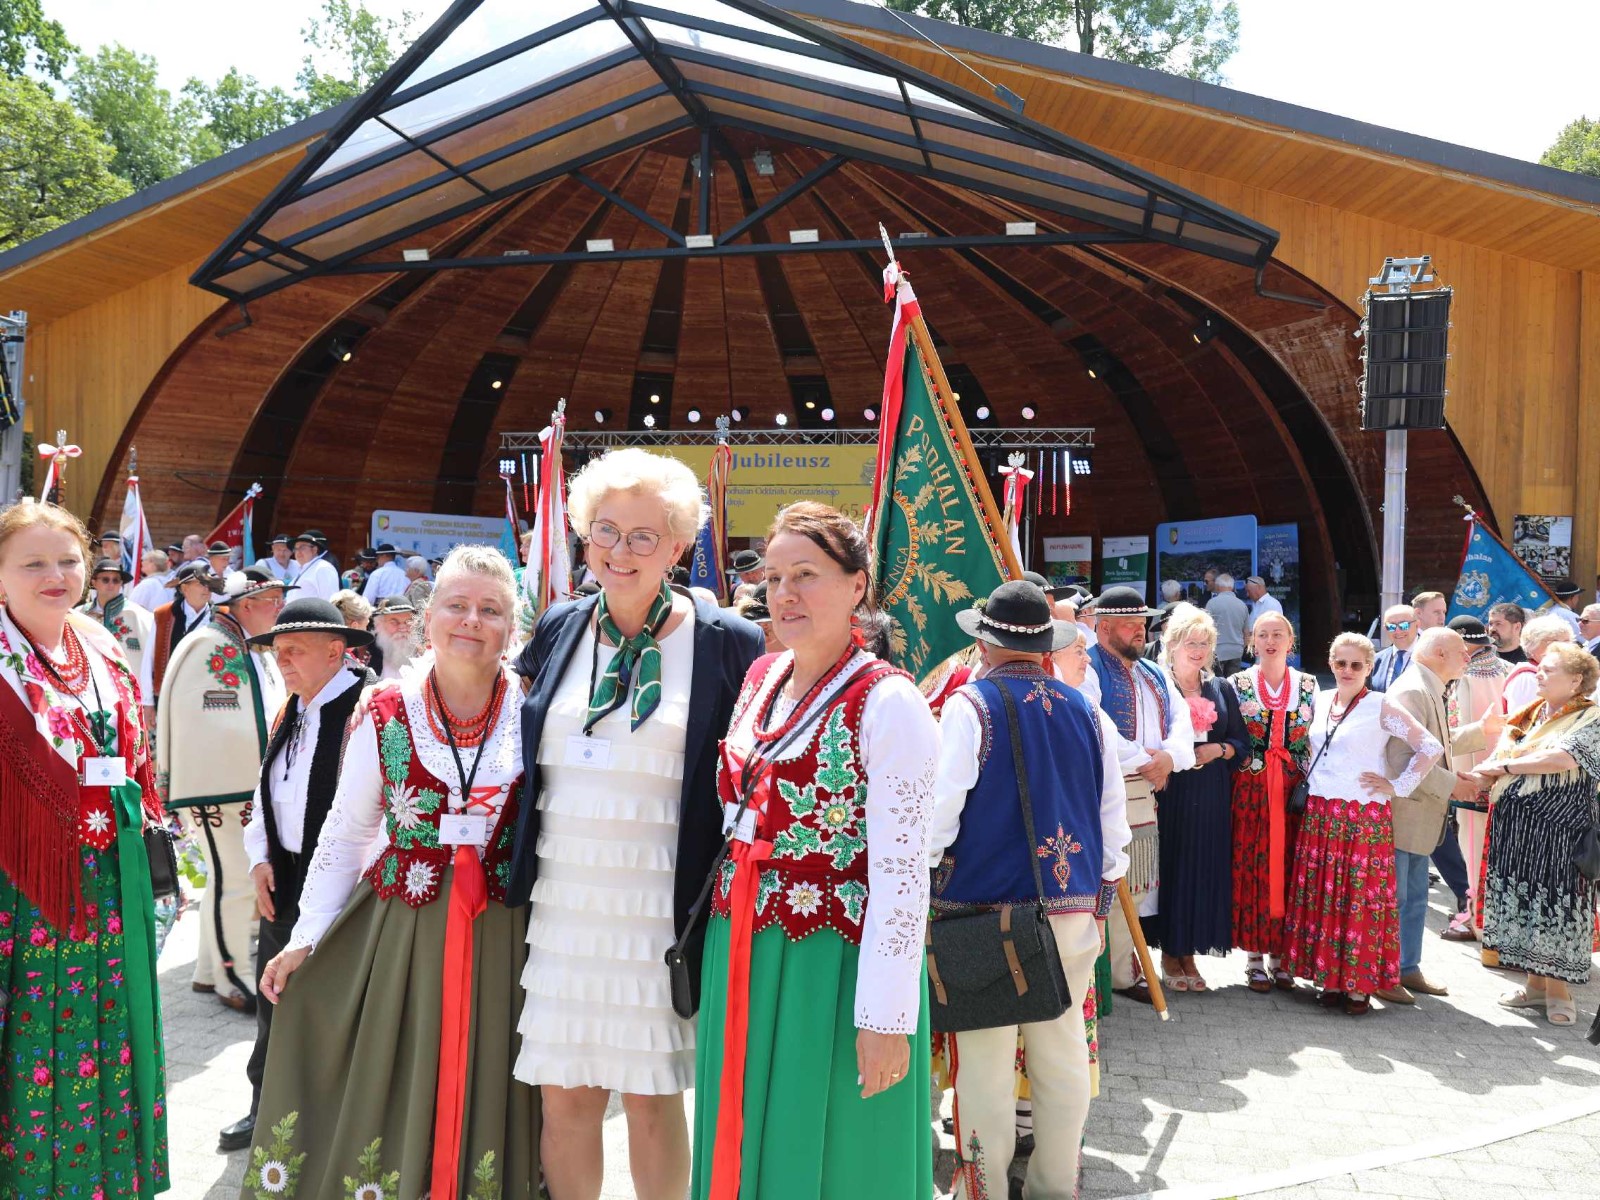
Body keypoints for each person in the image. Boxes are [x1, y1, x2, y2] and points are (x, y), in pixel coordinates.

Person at [510, 448, 763, 1200]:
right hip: (563, 907)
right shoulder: (558, 627)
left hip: (662, 912)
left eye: (643, 536)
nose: (620, 552)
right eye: (606, 531)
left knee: (653, 1097)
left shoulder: (727, 641)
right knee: (566, 1095)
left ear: (678, 546)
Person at [251, 547, 539, 1199]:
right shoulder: (385, 710)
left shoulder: (535, 711)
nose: (472, 620)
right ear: (426, 618)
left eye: (491, 610)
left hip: (504, 938)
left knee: (489, 1077)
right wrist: (307, 935)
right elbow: (347, 831)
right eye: (456, 605)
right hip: (405, 934)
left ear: (511, 627)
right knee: (401, 1077)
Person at [692, 503, 935, 1200]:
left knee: (828, 1146)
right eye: (773, 578)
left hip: (831, 959)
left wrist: (886, 1019)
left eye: (806, 575)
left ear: (857, 585)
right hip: (740, 941)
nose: (785, 594)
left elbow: (902, 876)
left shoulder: (889, 703)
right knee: (740, 1131)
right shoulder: (761, 679)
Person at [929, 582, 1129, 1200]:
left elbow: (938, 816)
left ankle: (983, 1189)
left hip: (984, 916)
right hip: (1072, 911)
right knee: (1062, 1059)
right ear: (1046, 648)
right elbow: (1113, 824)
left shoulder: (971, 705)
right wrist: (1098, 893)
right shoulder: (1088, 713)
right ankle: (1053, 1187)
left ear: (984, 644)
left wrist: (923, 882)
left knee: (985, 1068)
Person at [0, 499, 171, 1199]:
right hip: (20, 892)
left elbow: (135, 757)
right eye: (33, 563)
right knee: (31, 1037)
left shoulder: (99, 644)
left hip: (106, 883)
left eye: (68, 561)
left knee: (105, 1034)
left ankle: (99, 1180)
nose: (56, 575)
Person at [219, 599, 375, 1153]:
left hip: (344, 882)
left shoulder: (367, 708)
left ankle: (332, 1123)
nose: (282, 660)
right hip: (285, 875)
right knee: (273, 999)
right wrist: (259, 858)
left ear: (336, 651)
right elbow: (268, 788)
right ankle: (266, 1108)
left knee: (334, 1003)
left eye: (294, 651)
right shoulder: (293, 707)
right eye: (278, 651)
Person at [1284, 633, 1444, 1014]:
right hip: (1321, 812)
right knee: (1325, 896)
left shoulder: (1381, 705)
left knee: (1359, 900)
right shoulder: (1322, 700)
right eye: (1340, 663)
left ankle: (1357, 987)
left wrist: (1397, 785)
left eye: (1356, 665)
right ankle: (1329, 979)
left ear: (1369, 668)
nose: (1347, 670)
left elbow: (1430, 747)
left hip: (1362, 817)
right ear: (1331, 663)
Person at [157, 567, 289, 1012]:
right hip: (220, 790)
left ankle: (207, 970)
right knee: (236, 880)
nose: (280, 609)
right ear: (246, 605)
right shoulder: (208, 646)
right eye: (274, 601)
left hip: (240, 788)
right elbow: (200, 723)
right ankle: (233, 976)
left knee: (226, 877)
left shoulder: (249, 646)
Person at [1475, 641, 1600, 1029]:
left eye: (1549, 670)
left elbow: (1562, 759)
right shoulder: (1529, 714)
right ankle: (1533, 987)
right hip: (1516, 827)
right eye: (1540, 667)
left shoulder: (1591, 718)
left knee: (1557, 905)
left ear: (1576, 680)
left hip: (1561, 830)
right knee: (1522, 902)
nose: (1539, 674)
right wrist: (1485, 773)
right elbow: (1502, 752)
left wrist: (1504, 768)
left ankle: (1559, 992)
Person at [1079, 586, 1195, 1000]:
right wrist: (1148, 760)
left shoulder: (1153, 672)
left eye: (1142, 623)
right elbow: (1097, 727)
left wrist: (1171, 758)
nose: (1139, 631)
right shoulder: (1088, 666)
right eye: (1129, 624)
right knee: (1105, 884)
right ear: (1103, 627)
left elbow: (1182, 722)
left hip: (1147, 789)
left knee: (1137, 885)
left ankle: (1121, 974)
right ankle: (1100, 975)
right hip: (1106, 789)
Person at [1374, 628, 1498, 1005]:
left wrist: (1480, 731)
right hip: (1406, 812)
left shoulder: (1427, 685)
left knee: (1412, 899)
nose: (1468, 657)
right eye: (1462, 651)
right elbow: (1402, 759)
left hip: (1417, 813)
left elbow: (1434, 743)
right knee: (1398, 900)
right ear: (1439, 653)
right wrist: (1453, 785)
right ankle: (1387, 972)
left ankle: (1405, 967)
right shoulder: (1414, 689)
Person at [1149, 603, 1245, 991]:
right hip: (1172, 791)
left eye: (1205, 643)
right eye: (1191, 642)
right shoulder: (1157, 687)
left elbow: (1241, 742)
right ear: (1172, 643)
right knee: (1173, 868)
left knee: (1201, 871)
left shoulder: (1220, 688)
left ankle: (1188, 952)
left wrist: (1218, 750)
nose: (1199, 650)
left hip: (1209, 793)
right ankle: (1170, 952)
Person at [1229, 610, 1318, 992]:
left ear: (1290, 641)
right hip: (1251, 792)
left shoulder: (1310, 685)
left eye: (1277, 634)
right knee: (1254, 867)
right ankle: (1254, 958)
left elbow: (1316, 738)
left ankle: (1282, 958)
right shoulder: (1237, 683)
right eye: (1263, 634)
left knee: (1290, 868)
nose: (1270, 641)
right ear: (1252, 641)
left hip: (1293, 794)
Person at [1440, 616, 1511, 944]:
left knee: (1473, 849)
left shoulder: (1464, 677)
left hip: (1472, 779)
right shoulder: (1507, 669)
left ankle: (1477, 918)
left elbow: (1456, 730)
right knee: (1497, 850)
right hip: (1504, 774)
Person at [148, 561, 221, 718]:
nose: (207, 588)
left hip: (211, 700)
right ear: (184, 588)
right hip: (170, 697)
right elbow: (149, 660)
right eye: (201, 584)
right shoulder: (163, 615)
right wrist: (147, 703)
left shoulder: (223, 617)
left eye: (209, 584)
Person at [79, 555, 156, 703]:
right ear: (94, 582)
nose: (111, 584)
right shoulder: (81, 614)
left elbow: (152, 657)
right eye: (105, 579)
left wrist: (148, 699)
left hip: (128, 692)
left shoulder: (137, 615)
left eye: (116, 580)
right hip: (90, 691)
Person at [1504, 615, 1574, 713]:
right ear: (1532, 645)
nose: (1563, 648)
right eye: (1554, 642)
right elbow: (1521, 718)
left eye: (1567, 641)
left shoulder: (1564, 672)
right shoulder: (1528, 678)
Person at [1205, 573, 1248, 676]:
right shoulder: (1242, 605)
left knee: (1216, 682)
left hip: (1217, 650)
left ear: (1217, 586)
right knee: (1233, 682)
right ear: (1232, 587)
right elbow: (1246, 633)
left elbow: (1205, 629)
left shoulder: (1212, 603)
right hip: (1236, 650)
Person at [369, 595, 420, 680]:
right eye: (394, 622)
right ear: (379, 625)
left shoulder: (426, 656)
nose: (402, 628)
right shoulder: (367, 655)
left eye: (408, 622)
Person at [1369, 604, 1419, 691]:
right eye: (1391, 627)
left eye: (1404, 625)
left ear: (1417, 625)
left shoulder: (1431, 658)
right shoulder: (1376, 660)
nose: (1398, 631)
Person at [290, 530, 339, 600]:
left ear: (314, 550)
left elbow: (330, 600)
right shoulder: (304, 568)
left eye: (302, 548)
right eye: (296, 549)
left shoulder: (323, 568)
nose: (298, 552)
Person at [1244, 575, 1282, 640]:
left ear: (1258, 588)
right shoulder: (1257, 604)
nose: (1247, 594)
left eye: (1249, 591)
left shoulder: (1271, 604)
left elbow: (1274, 629)